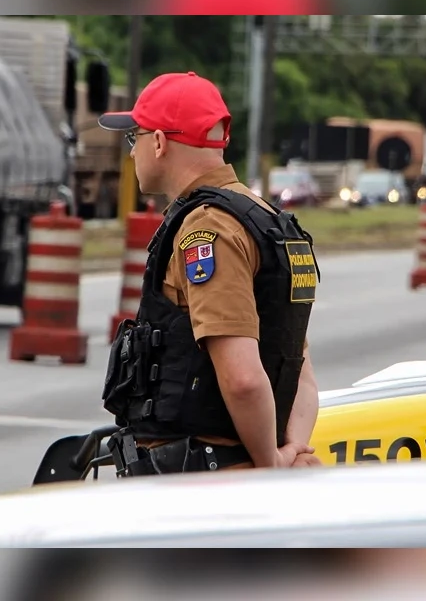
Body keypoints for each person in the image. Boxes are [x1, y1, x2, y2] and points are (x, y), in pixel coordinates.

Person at [96, 71, 322, 477]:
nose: (132, 153)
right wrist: (291, 450)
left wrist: (270, 465)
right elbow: (298, 368)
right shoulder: (270, 221)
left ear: (160, 142)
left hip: (206, 481)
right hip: (239, 470)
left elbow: (244, 379)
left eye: (136, 138)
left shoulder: (209, 230)